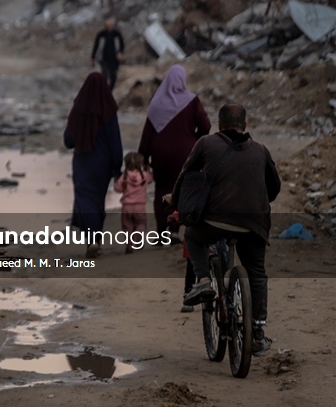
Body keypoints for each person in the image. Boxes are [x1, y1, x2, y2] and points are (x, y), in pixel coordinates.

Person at [169, 103, 281, 356]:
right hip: (253, 225)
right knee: (256, 272)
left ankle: (204, 281)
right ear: (245, 125)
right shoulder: (261, 150)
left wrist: (174, 201)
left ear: (219, 125)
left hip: (214, 222)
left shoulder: (205, 144)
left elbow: (184, 176)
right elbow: (274, 188)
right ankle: (257, 332)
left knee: (193, 236)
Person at [137, 64, 211, 310]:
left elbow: (147, 133)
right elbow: (206, 125)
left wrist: (143, 154)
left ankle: (162, 232)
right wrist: (194, 139)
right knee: (184, 190)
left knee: (162, 190)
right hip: (185, 153)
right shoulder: (191, 101)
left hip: (160, 154)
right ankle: (177, 227)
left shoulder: (156, 104)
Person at [64, 72, 123, 256]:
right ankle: (95, 240)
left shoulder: (78, 109)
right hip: (102, 165)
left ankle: (91, 241)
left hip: (82, 162)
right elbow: (115, 140)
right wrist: (117, 167)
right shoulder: (108, 110)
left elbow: (68, 140)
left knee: (84, 199)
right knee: (98, 201)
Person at [113, 152, 151, 254]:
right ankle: (138, 234)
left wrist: (115, 181)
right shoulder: (144, 176)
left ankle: (129, 245)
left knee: (127, 227)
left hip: (126, 206)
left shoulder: (124, 177)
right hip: (140, 206)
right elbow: (151, 179)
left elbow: (117, 189)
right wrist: (147, 169)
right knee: (141, 223)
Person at [90, 18, 125, 90]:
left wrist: (120, 53)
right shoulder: (101, 35)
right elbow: (96, 46)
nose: (108, 26)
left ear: (112, 25)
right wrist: (93, 58)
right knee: (104, 75)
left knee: (113, 76)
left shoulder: (116, 34)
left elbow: (122, 44)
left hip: (114, 59)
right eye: (106, 25)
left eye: (109, 25)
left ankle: (110, 90)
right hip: (104, 58)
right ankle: (104, 91)